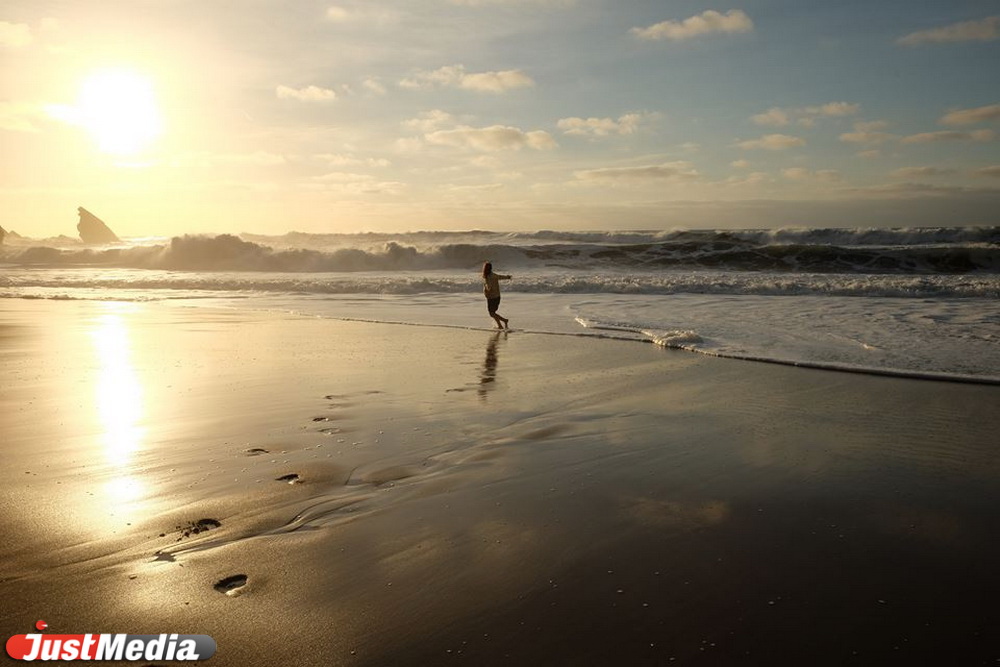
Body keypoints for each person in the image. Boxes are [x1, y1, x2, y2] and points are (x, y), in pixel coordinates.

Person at [482, 261, 511, 329]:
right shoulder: (491, 275)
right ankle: (501, 324)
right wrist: (507, 277)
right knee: (492, 313)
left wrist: (487, 290)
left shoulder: (490, 276)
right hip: (493, 296)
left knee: (492, 313)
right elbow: (500, 277)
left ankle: (504, 321)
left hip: (493, 297)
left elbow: (489, 287)